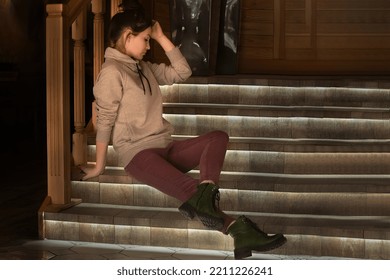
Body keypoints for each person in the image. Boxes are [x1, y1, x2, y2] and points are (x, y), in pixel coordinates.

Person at [81, 0, 286, 259]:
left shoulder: (141, 67)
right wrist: (99, 165)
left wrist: (161, 37)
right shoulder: (111, 72)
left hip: (164, 147)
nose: (148, 46)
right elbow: (106, 119)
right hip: (138, 155)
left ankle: (222, 210)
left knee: (217, 139)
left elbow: (182, 71)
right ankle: (240, 231)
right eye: (145, 40)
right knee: (194, 193)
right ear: (127, 36)